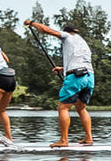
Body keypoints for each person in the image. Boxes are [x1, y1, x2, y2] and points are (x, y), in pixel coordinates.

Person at [23, 19, 96, 147]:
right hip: (89, 76)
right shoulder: (83, 42)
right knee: (81, 108)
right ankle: (88, 138)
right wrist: (63, 69)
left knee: (63, 107)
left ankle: (63, 140)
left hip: (76, 77)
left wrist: (32, 23)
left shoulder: (67, 36)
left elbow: (46, 30)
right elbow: (80, 62)